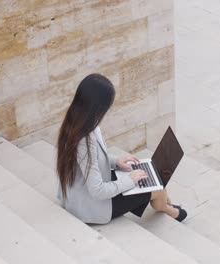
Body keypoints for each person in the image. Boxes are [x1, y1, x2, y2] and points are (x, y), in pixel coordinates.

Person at [56, 73, 187, 224]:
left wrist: (116, 161)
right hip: (91, 204)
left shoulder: (77, 120)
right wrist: (130, 181)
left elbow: (91, 160)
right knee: (156, 187)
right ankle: (168, 209)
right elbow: (97, 191)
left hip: (83, 189)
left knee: (152, 177)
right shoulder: (84, 140)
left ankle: (164, 202)